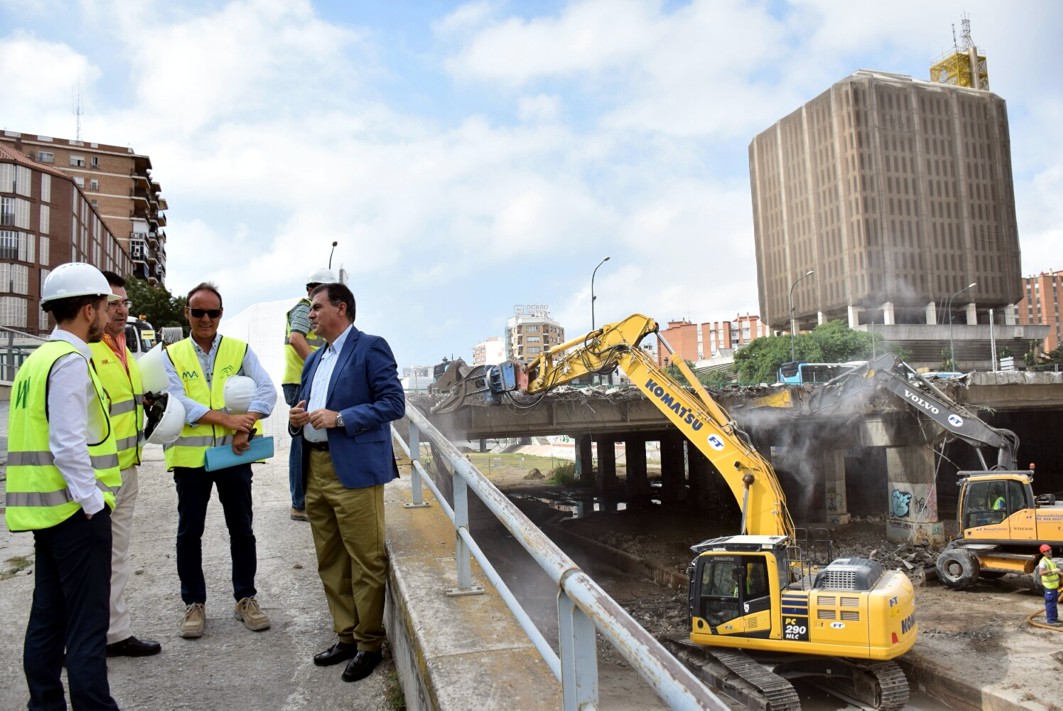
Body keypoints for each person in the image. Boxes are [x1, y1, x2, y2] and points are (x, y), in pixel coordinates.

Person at [5, 262, 121, 709]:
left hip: (45, 512)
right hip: (76, 513)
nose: (111, 314)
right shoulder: (71, 361)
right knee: (87, 624)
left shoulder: (37, 359)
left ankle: (45, 704)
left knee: (47, 618)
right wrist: (93, 503)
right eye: (107, 306)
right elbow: (67, 444)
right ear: (89, 310)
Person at [288, 282, 405, 683]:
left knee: (366, 559)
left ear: (341, 308)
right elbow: (304, 407)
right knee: (330, 560)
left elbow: (393, 403)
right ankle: (346, 636)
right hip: (315, 469)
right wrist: (296, 418)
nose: (311, 315)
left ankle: (369, 642)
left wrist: (340, 418)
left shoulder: (370, 347)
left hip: (353, 471)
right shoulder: (313, 360)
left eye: (317, 308)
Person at [162, 282, 277, 639]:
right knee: (189, 532)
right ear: (187, 314)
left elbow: (267, 389)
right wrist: (227, 420)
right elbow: (179, 402)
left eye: (213, 312)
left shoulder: (239, 350)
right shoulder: (172, 354)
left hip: (233, 454)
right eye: (198, 312)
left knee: (241, 529)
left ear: (221, 314)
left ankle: (246, 597)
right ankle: (194, 604)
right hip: (190, 460)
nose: (206, 319)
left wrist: (247, 424)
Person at [88, 271, 163, 657]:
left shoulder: (121, 347)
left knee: (116, 555)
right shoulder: (85, 350)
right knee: (89, 561)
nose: (121, 310)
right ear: (94, 306)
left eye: (124, 303)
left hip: (125, 468)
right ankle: (82, 642)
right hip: (94, 474)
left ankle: (115, 633)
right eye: (113, 303)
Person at [283, 268, 335, 521]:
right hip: (301, 380)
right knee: (301, 441)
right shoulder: (305, 308)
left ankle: (304, 500)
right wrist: (320, 366)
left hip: (303, 379)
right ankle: (300, 503)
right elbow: (296, 339)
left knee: (306, 439)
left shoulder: (309, 307)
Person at [1036, 544, 1062, 626]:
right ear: (1043, 552)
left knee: (1053, 603)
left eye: (1050, 550)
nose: (1049, 551)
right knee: (1050, 603)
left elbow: (1056, 572)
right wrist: (1052, 570)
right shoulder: (1043, 562)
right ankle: (1051, 621)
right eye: (1047, 551)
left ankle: (1054, 618)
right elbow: (1041, 572)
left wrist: (1058, 572)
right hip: (1049, 587)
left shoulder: (1050, 560)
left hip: (1054, 586)